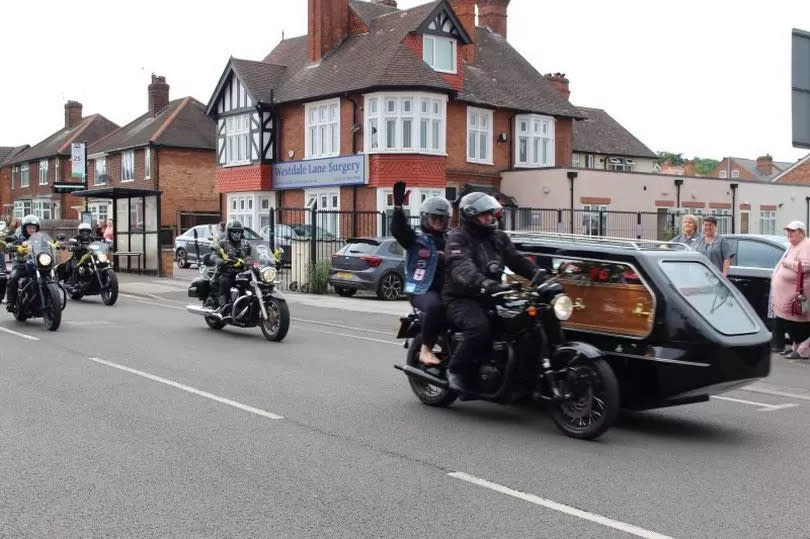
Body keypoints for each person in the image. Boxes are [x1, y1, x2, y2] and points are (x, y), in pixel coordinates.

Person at [443, 192, 539, 393]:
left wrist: (541, 276)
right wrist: (485, 283)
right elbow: (462, 268)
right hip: (461, 297)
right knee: (479, 328)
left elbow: (517, 260)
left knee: (525, 323)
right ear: (471, 215)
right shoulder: (458, 237)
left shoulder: (499, 237)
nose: (490, 218)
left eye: (492, 214)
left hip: (493, 295)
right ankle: (456, 370)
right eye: (484, 215)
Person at [390, 181, 451, 366]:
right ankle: (426, 349)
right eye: (435, 218)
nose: (439, 222)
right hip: (421, 289)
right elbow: (399, 230)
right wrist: (398, 208)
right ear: (425, 218)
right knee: (435, 307)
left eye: (442, 219)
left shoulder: (452, 238)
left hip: (448, 288)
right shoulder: (415, 238)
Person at [770, 221, 810, 359]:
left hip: (800, 294)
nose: (789, 233)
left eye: (793, 231)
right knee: (793, 322)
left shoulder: (807, 245)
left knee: (800, 322)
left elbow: (806, 266)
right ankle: (796, 347)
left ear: (802, 232)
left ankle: (803, 349)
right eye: (788, 231)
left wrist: (788, 264)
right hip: (789, 294)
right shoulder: (794, 245)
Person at [210, 219, 252, 314]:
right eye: (234, 231)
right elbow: (213, 255)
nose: (237, 234)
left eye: (239, 231)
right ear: (229, 232)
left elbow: (253, 255)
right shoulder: (222, 243)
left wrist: (257, 261)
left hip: (242, 272)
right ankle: (223, 306)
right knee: (226, 282)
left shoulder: (246, 243)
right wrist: (220, 261)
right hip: (225, 272)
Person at [5, 214, 41, 312]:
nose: (31, 230)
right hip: (21, 263)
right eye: (29, 227)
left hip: (37, 263)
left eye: (34, 228)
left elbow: (48, 243)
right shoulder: (19, 236)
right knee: (13, 278)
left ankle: (53, 299)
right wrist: (12, 246)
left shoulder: (39, 237)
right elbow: (10, 243)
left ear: (37, 228)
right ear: (25, 228)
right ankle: (10, 302)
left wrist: (55, 245)